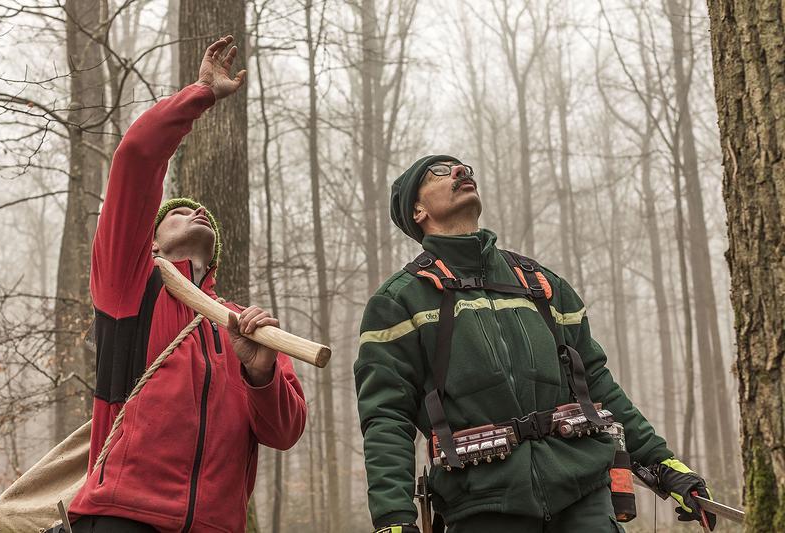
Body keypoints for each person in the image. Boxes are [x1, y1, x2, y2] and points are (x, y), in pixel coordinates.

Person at [354, 156, 716, 532]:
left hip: (584, 495)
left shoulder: (541, 284)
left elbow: (597, 385)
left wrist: (663, 464)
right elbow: (387, 417)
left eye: (463, 168)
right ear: (417, 210)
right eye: (440, 173)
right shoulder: (398, 302)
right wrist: (393, 518)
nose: (461, 172)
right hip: (481, 505)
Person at [67, 35, 307, 533]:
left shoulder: (245, 325)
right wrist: (200, 95)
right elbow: (135, 160)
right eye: (176, 213)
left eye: (201, 214)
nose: (195, 211)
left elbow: (284, 432)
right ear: (151, 243)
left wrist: (260, 373)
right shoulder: (130, 286)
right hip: (122, 516)